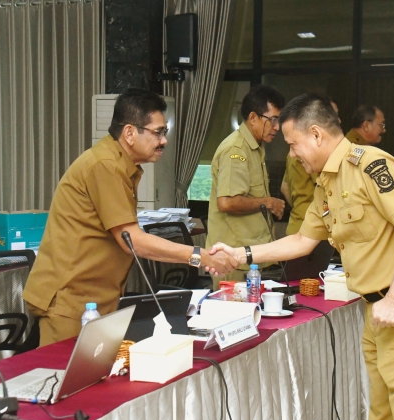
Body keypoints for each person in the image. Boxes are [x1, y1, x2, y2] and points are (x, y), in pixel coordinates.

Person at [211, 93, 394, 420]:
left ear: (317, 135)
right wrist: (240, 254)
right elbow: (303, 241)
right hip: (377, 309)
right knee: (382, 415)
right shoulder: (325, 182)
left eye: (293, 144)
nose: (291, 154)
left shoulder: (371, 165)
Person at [23, 88, 237, 346]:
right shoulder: (105, 165)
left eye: (164, 132)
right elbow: (132, 241)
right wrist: (200, 256)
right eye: (158, 132)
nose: (164, 141)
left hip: (96, 298)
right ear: (129, 133)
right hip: (70, 300)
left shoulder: (121, 165)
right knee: (69, 383)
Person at [205, 85, 286, 287]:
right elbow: (226, 203)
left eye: (279, 121)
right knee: (233, 316)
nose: (277, 127)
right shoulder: (236, 150)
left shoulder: (255, 148)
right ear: (253, 118)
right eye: (273, 120)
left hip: (247, 257)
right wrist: (267, 203)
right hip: (232, 258)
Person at [280, 100, 339, 235]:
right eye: (333, 116)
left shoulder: (295, 151)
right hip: (315, 230)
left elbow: (284, 187)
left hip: (297, 223)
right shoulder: (315, 155)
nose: (338, 121)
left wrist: (300, 208)